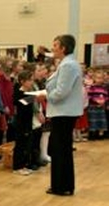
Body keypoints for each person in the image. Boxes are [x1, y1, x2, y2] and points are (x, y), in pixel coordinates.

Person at [39, 34, 84, 196]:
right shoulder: (67, 63)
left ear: (63, 48)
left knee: (60, 149)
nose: (53, 48)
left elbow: (61, 92)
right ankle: (62, 184)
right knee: (60, 149)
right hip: (64, 112)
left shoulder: (68, 66)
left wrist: (44, 95)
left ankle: (62, 185)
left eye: (55, 45)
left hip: (64, 112)